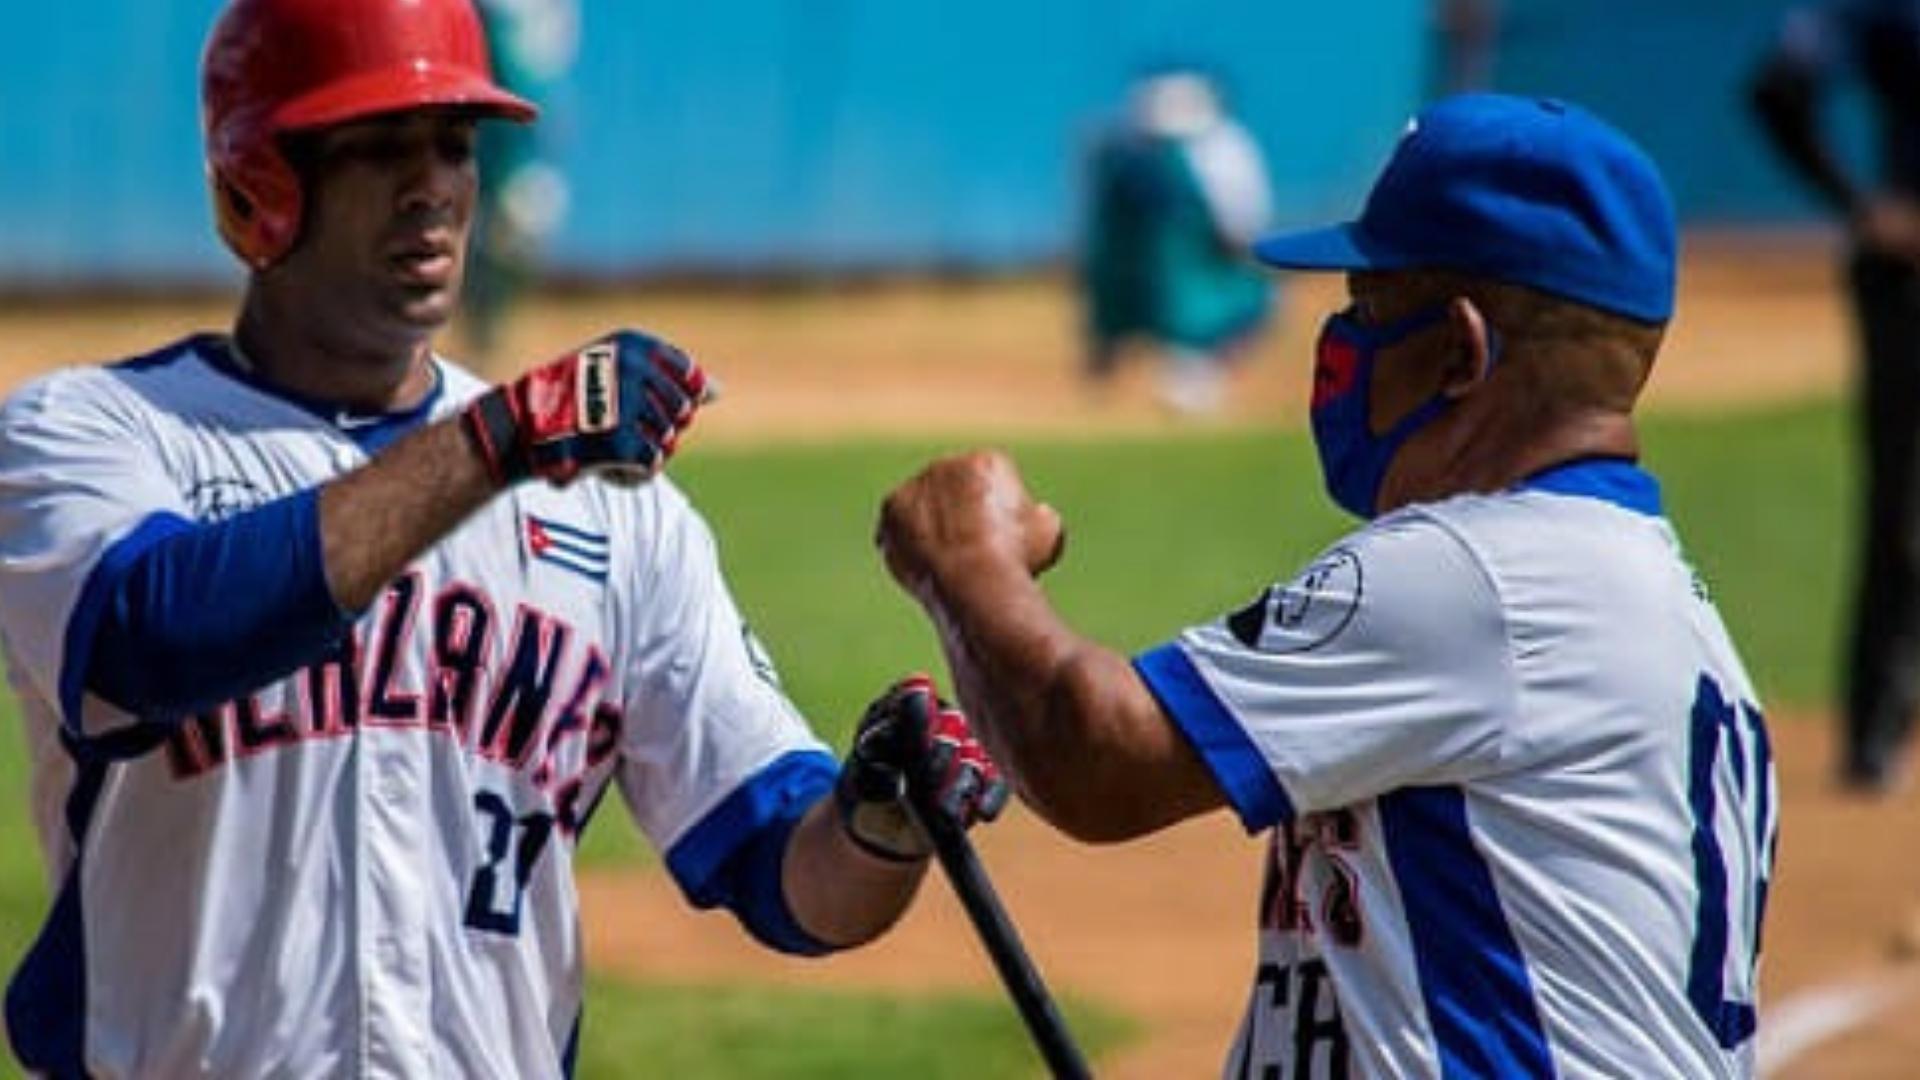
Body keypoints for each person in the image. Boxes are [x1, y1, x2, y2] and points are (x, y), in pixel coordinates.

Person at [0, 0, 1005, 1074]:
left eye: (454, 145)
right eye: (380, 146)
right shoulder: (92, 434)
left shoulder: (610, 507)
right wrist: (500, 440)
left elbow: (783, 872)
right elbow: (151, 639)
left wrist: (877, 822)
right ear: (263, 187)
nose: (432, 186)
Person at [878, 94, 1779, 1077]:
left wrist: (965, 559)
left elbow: (1095, 755)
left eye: (1367, 306)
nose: (1342, 341)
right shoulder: (1655, 597)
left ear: (1459, 351)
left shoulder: (1482, 575)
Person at [1751, 0, 1920, 793]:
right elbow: (1778, 89)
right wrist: (1861, 204)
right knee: (1902, 503)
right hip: (1907, 276)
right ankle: (1877, 726)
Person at [1080, 67, 1276, 415]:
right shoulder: (1125, 151)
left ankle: (1197, 366)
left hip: (1211, 267)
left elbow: (1241, 225)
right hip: (1145, 273)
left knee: (1238, 302)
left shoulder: (1223, 149)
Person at [464, 0, 579, 363]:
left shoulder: (528, 24)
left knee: (518, 226)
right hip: (478, 119)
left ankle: (488, 331)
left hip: (519, 139)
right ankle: (475, 332)